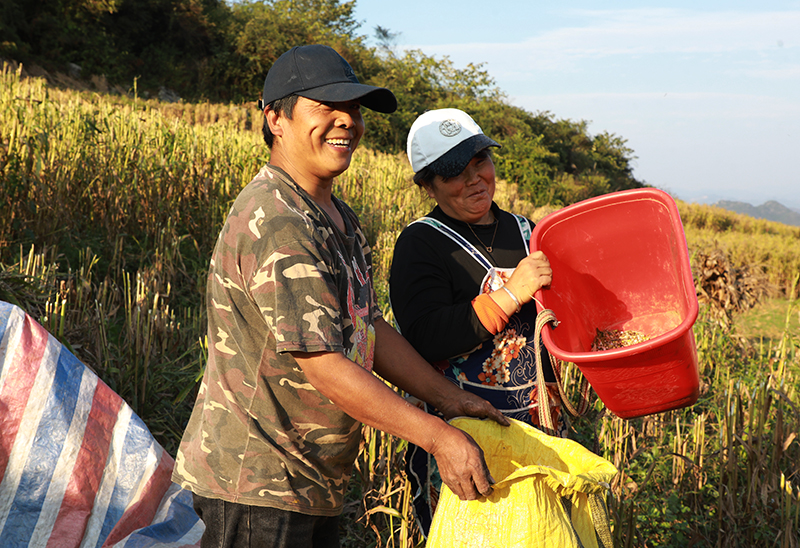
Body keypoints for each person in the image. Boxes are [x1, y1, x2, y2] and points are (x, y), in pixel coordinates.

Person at [171, 46, 509, 548]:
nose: (346, 121)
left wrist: (449, 400)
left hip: (311, 481)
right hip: (257, 483)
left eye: (352, 109)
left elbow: (366, 326)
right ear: (275, 119)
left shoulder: (336, 215)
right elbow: (325, 363)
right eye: (324, 107)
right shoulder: (279, 219)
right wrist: (438, 437)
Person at [389, 108, 565, 534]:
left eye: (480, 163)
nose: (474, 180)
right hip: (464, 442)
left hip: (541, 430)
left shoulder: (529, 233)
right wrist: (508, 295)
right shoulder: (423, 243)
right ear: (427, 185)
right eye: (454, 173)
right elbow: (425, 338)